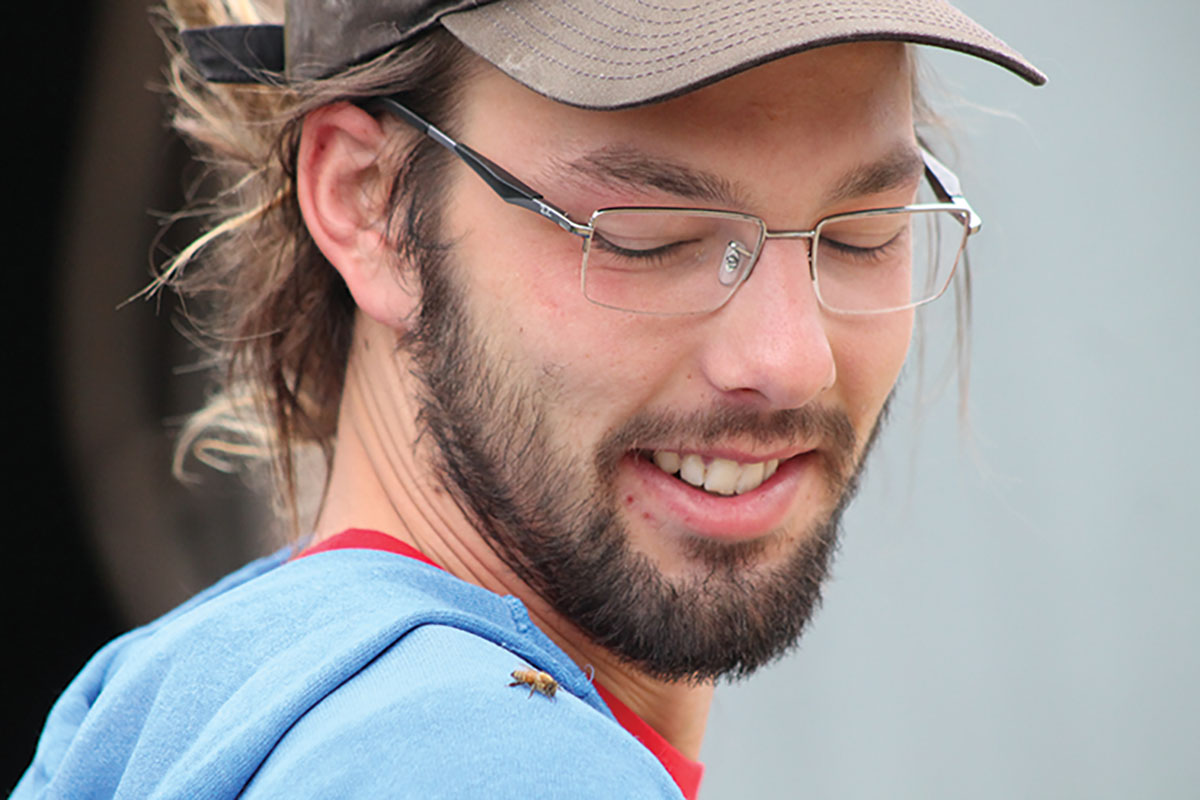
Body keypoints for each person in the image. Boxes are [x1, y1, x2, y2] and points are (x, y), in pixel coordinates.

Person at [14, 1, 1044, 797]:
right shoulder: (491, 762)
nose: (790, 356)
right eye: (650, 236)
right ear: (368, 204)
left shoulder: (173, 706)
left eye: (864, 230)